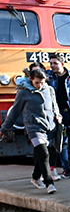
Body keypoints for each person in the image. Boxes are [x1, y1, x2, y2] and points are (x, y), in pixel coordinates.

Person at [0, 63, 60, 194]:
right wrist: (4, 129)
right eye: (37, 82)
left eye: (42, 82)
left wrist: (58, 115)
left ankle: (35, 177)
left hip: (48, 126)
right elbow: (14, 112)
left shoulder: (49, 89)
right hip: (33, 127)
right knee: (44, 154)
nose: (40, 85)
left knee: (41, 154)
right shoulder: (23, 93)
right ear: (31, 80)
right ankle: (49, 183)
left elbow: (54, 105)